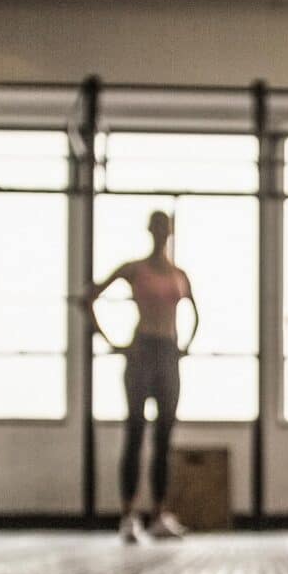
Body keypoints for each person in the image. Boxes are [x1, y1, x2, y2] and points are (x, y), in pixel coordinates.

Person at [80, 210, 197, 543]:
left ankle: (159, 514)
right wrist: (115, 344)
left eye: (165, 227)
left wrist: (185, 346)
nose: (161, 232)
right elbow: (87, 299)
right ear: (150, 230)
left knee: (164, 437)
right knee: (134, 432)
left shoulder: (179, 275)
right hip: (142, 350)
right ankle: (128, 515)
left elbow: (195, 311)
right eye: (156, 227)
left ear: (170, 231)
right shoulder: (135, 269)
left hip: (168, 353)